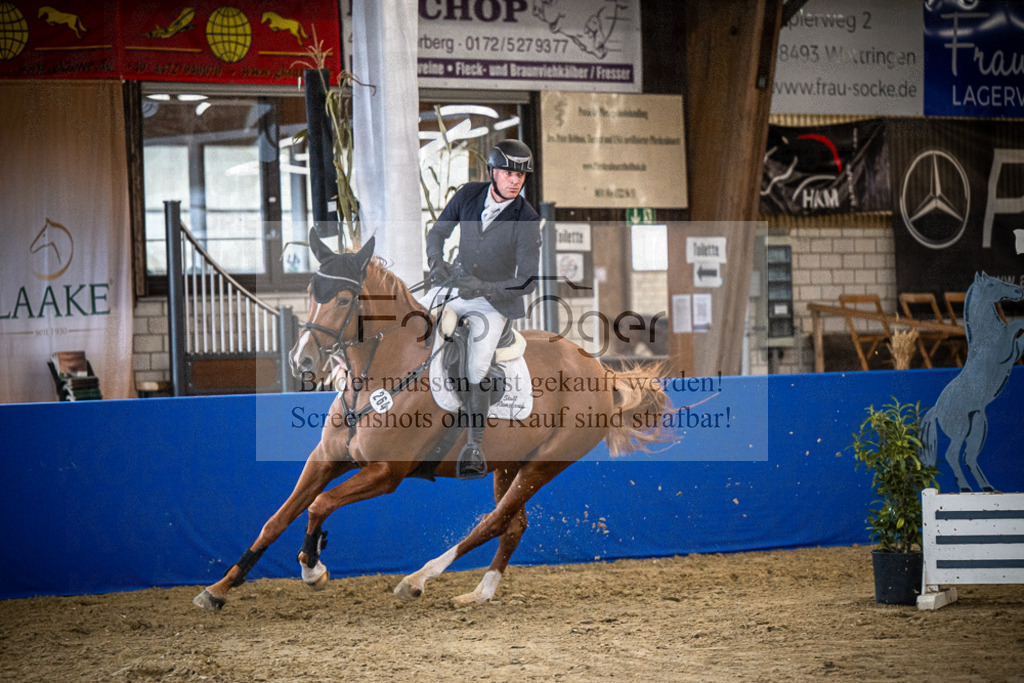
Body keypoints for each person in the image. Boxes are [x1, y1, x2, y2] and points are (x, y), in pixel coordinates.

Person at [425, 139, 542, 479]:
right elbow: (438, 233)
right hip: (456, 286)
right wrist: (436, 262)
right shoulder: (468, 195)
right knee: (414, 323)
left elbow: (528, 281)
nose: (515, 180)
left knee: (476, 364)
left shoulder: (528, 219)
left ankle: (473, 447)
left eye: (521, 175)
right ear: (493, 172)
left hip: (494, 302)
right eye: (508, 172)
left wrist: (487, 288)